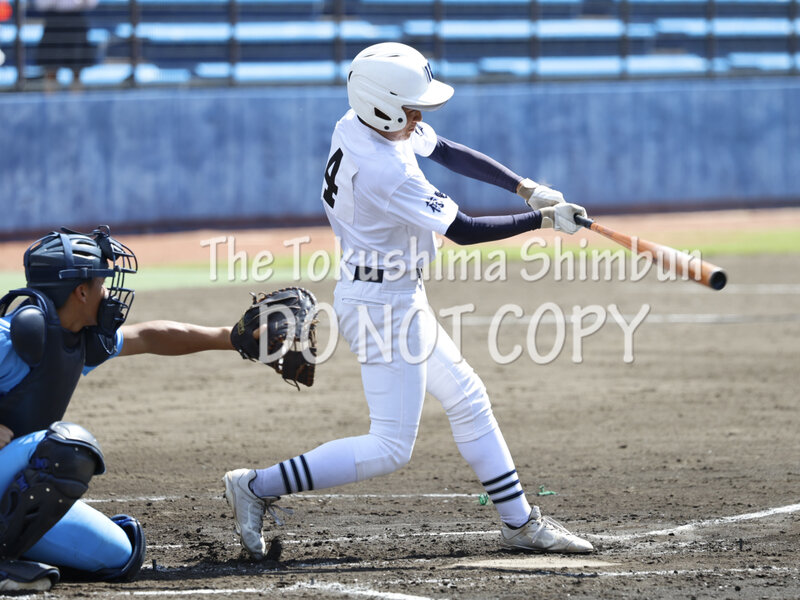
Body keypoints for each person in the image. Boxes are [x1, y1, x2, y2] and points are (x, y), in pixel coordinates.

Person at [222, 42, 594, 559]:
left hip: (395, 295)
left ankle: (519, 523)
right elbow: (463, 230)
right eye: (411, 108)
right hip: (381, 307)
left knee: (468, 398)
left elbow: (445, 150)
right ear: (383, 106)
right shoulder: (385, 170)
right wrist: (543, 220)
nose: (419, 117)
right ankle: (256, 485)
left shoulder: (357, 123)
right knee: (391, 446)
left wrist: (525, 187)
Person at [0, 225, 237, 592]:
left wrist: (232, 337)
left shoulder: (75, 337)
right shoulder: (12, 336)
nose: (109, 292)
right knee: (66, 449)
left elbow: (151, 336)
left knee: (120, 553)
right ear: (81, 291)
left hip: (10, 485)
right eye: (102, 282)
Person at [33, 0, 98, 89]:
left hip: (76, 21)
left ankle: (77, 97)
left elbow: (91, 3)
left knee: (77, 70)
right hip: (54, 22)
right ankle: (50, 97)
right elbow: (41, 4)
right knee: (51, 69)